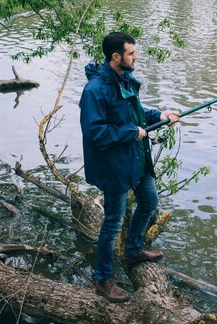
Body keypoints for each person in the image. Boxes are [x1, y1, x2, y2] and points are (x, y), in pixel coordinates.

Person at [79, 31, 180, 302]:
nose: (136, 57)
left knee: (149, 202)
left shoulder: (125, 79)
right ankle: (103, 280)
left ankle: (133, 250)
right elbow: (96, 133)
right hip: (114, 168)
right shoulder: (95, 90)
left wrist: (160, 115)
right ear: (116, 57)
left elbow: (135, 114)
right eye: (131, 53)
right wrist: (130, 133)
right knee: (112, 223)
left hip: (136, 159)